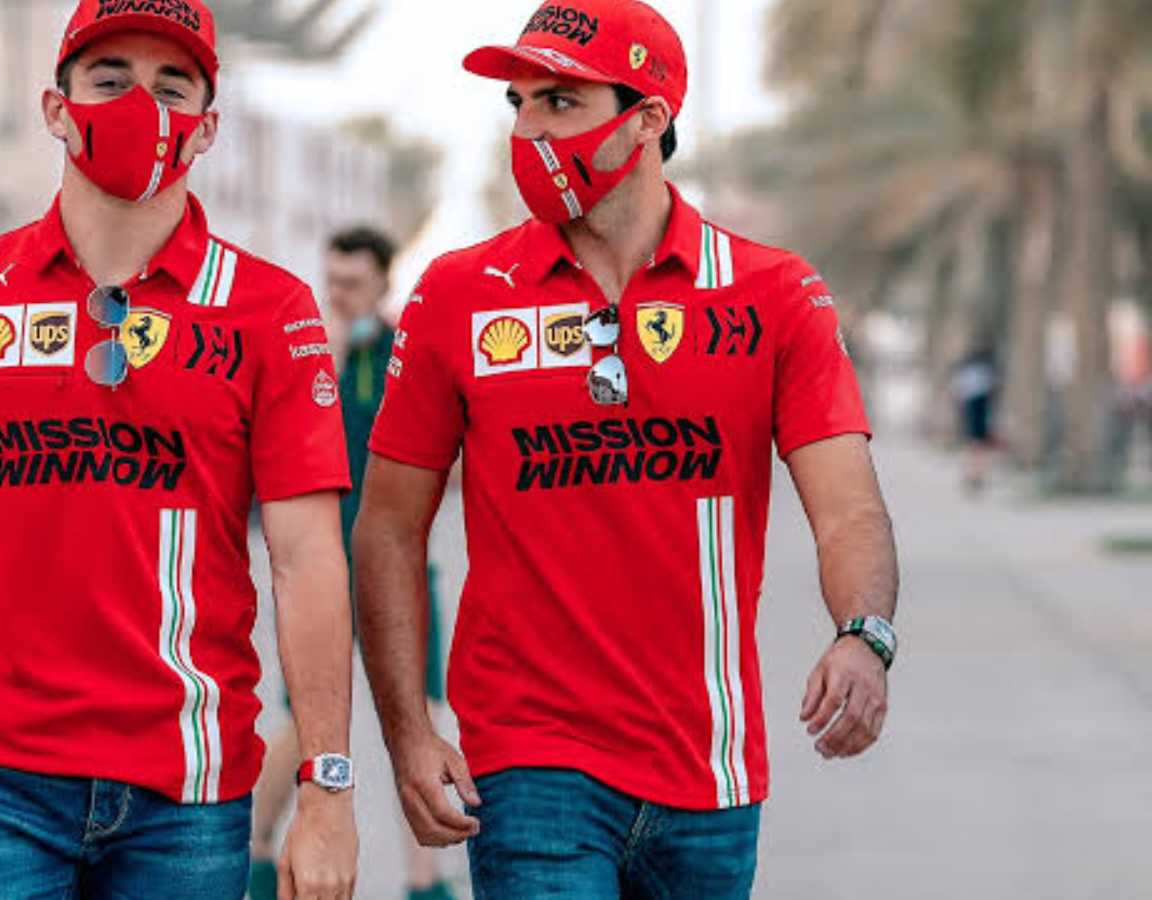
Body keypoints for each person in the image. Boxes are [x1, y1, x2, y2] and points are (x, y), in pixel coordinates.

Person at [353, 2, 902, 897]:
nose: (528, 131)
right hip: (530, 762)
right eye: (518, 104)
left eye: (560, 102)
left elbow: (846, 507)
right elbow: (386, 526)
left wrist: (863, 636)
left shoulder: (775, 295)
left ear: (646, 119)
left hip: (710, 769)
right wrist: (408, 732)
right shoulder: (458, 295)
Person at [0, 3, 358, 898]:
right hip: (2, 784)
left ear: (208, 128)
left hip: (189, 793)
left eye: (171, 86)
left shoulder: (270, 310)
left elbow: (307, 559)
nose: (141, 107)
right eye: (110, 81)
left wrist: (327, 790)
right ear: (54, 107)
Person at [248, 228, 454, 900]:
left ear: (383, 284)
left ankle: (425, 881)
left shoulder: (404, 354)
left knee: (419, 717)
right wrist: (328, 362)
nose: (338, 296)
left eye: (353, 285)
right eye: (331, 281)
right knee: (300, 720)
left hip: (397, 569)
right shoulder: (306, 354)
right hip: (322, 570)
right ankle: (255, 844)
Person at [951, 347, 1000, 494]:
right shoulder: (986, 373)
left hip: (971, 410)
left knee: (974, 445)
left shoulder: (968, 373)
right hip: (979, 410)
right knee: (978, 445)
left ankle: (973, 475)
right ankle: (975, 475)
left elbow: (958, 391)